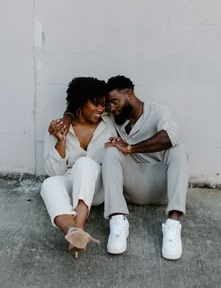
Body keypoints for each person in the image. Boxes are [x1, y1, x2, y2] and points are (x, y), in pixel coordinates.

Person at [49, 75, 188, 261]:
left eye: (115, 102)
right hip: (130, 187)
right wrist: (66, 118)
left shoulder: (158, 112)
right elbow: (80, 105)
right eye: (109, 105)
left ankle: (173, 224)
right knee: (112, 151)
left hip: (160, 186)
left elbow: (170, 136)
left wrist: (130, 148)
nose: (112, 108)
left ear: (129, 93)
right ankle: (117, 221)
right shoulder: (115, 117)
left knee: (178, 149)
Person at [41, 77, 116, 258]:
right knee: (48, 184)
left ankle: (80, 224)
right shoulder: (60, 128)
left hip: (98, 186)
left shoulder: (110, 123)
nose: (100, 109)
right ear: (80, 104)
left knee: (84, 163)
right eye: (95, 104)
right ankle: (73, 231)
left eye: (102, 104)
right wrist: (61, 141)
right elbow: (53, 172)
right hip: (70, 181)